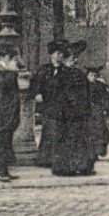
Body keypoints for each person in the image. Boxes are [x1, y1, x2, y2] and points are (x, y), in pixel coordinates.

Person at [52, 41, 93, 175]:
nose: (74, 60)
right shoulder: (60, 75)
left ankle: (82, 166)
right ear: (64, 59)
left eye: (75, 58)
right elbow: (59, 94)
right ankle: (65, 168)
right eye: (71, 58)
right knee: (67, 139)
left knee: (80, 139)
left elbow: (86, 91)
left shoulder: (78, 73)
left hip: (79, 112)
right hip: (67, 113)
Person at [0, 41, 22, 181]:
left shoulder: (6, 71)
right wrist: (12, 73)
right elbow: (1, 89)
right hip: (0, 112)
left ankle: (4, 170)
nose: (13, 60)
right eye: (10, 57)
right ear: (3, 57)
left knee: (5, 142)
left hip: (7, 112)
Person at [31, 39, 67, 167]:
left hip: (61, 105)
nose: (59, 56)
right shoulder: (43, 70)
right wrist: (36, 93)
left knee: (60, 131)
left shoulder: (66, 71)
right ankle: (45, 159)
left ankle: (59, 159)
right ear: (51, 55)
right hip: (47, 105)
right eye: (57, 53)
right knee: (48, 130)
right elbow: (34, 84)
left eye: (61, 54)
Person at [86, 65, 109, 159]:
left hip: (98, 112)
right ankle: (90, 153)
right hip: (87, 112)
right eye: (91, 75)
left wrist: (106, 109)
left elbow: (106, 98)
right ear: (87, 76)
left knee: (100, 132)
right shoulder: (83, 86)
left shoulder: (100, 86)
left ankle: (99, 151)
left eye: (95, 75)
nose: (93, 77)